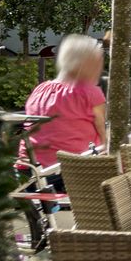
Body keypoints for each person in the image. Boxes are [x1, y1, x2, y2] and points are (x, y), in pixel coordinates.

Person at [22, 35, 108, 180]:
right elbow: (104, 136)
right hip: (69, 170)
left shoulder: (40, 89)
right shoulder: (89, 92)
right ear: (87, 64)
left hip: (29, 167)